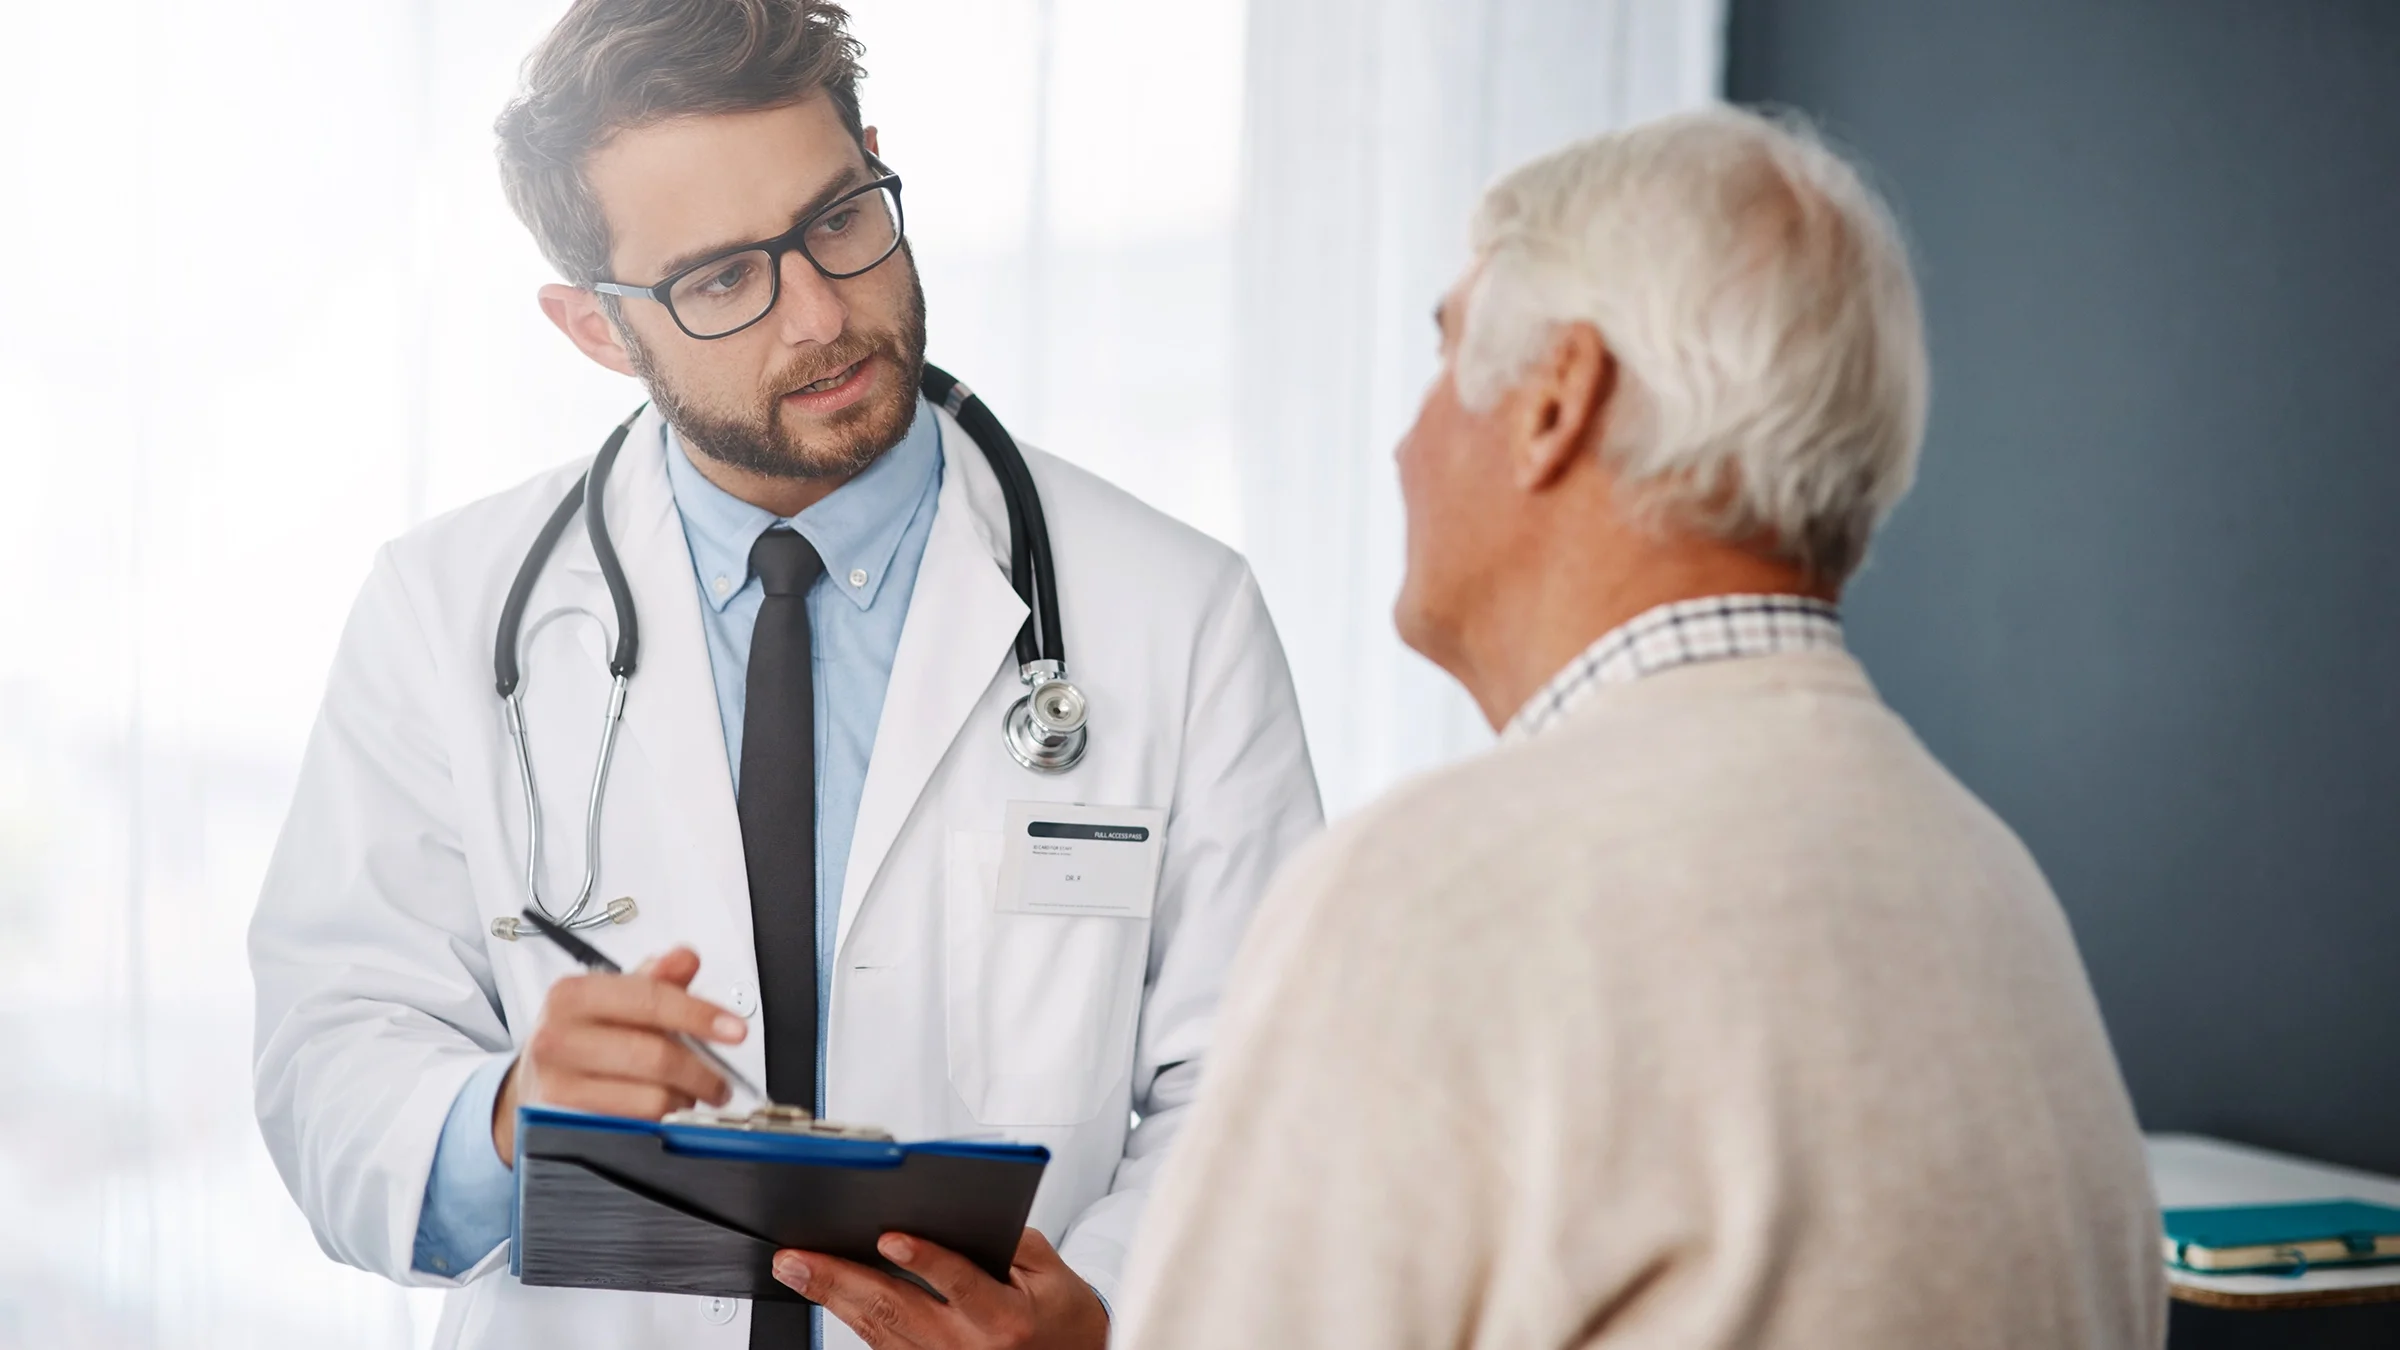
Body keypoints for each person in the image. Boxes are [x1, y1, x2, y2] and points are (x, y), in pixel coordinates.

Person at [247, 2, 1321, 1347]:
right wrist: (506, 1120)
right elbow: (333, 1059)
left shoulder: (1178, 612)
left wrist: (1103, 1309)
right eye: (718, 280)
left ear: (877, 161)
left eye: (839, 218)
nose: (821, 314)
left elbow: (1268, 1079)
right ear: (594, 328)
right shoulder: (442, 613)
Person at [1111, 106, 2166, 1350]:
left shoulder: (1430, 894)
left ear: (1557, 401)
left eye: (1444, 358)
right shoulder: (1997, 889)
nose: (1402, 446)